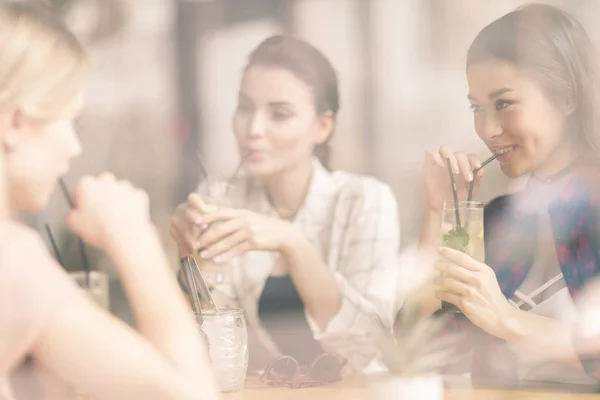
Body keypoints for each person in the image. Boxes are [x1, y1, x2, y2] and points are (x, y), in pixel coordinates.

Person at [0, 3, 218, 399]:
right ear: (15, 122)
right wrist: (134, 238)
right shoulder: (11, 260)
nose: (74, 147)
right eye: (70, 120)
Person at [170, 35, 400, 370]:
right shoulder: (222, 200)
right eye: (245, 107)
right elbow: (211, 347)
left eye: (279, 114)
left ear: (322, 126)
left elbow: (372, 348)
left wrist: (292, 242)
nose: (254, 129)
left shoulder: (363, 201)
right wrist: (188, 263)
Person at [405, 3, 600, 387]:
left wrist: (506, 319)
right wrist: (437, 211)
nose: (488, 128)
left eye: (504, 103)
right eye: (476, 107)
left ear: (566, 97)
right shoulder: (497, 218)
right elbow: (414, 347)